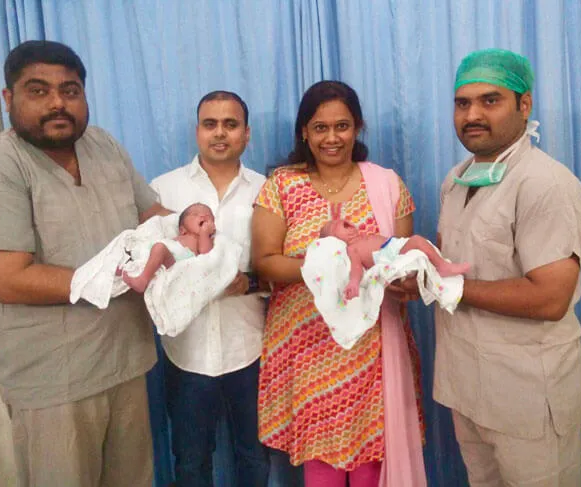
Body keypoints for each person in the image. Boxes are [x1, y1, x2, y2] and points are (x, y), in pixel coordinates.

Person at [0, 41, 171, 486]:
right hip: (55, 382)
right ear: (8, 98)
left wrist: (198, 234)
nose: (57, 103)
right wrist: (116, 278)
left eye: (70, 90)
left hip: (126, 361)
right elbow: (7, 279)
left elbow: (153, 218)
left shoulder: (104, 146)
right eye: (38, 91)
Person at [252, 80, 427, 486]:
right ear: (304, 132)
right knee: (322, 471)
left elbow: (399, 261)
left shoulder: (387, 185)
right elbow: (265, 263)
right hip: (308, 353)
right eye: (320, 127)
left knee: (372, 466)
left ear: (357, 128)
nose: (331, 138)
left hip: (374, 352)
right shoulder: (281, 186)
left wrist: (403, 279)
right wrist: (328, 266)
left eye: (342, 126)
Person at [432, 48, 581, 486]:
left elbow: (551, 298)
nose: (472, 115)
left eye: (490, 100)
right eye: (462, 103)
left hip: (527, 397)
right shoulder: (456, 180)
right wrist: (416, 276)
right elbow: (449, 264)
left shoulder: (546, 184)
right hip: (468, 388)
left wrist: (448, 287)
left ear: (525, 104)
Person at [150, 91, 270, 487]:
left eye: (230, 124)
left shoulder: (267, 191)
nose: (220, 133)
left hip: (250, 348)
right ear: (197, 130)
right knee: (190, 461)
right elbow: (148, 262)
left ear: (246, 133)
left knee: (254, 457)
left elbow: (281, 265)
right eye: (210, 124)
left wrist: (248, 282)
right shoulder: (162, 191)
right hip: (186, 352)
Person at [320, 219, 470, 300]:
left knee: (421, 245)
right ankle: (442, 266)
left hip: (394, 247)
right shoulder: (352, 249)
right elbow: (356, 268)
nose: (347, 225)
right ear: (335, 240)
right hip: (390, 256)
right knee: (417, 241)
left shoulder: (363, 238)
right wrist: (354, 282)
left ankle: (436, 264)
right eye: (336, 226)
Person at [122, 203, 216, 292]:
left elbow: (206, 253)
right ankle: (123, 268)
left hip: (180, 260)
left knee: (159, 248)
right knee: (143, 248)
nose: (203, 216)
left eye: (208, 216)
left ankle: (142, 280)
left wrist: (205, 233)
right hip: (169, 253)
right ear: (182, 230)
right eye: (195, 214)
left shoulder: (206, 239)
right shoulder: (180, 237)